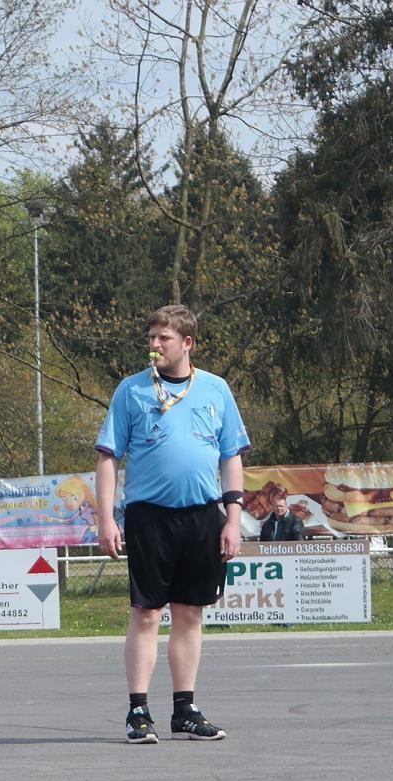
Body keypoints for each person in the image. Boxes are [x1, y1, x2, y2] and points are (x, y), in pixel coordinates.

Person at [95, 304, 249, 745]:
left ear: (187, 343)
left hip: (202, 515)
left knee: (190, 613)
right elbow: (108, 457)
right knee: (146, 614)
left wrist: (232, 519)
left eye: (164, 338)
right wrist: (106, 519)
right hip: (149, 516)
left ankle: (185, 709)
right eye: (151, 337)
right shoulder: (132, 390)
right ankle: (138, 710)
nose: (155, 344)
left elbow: (231, 456)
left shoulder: (216, 389)